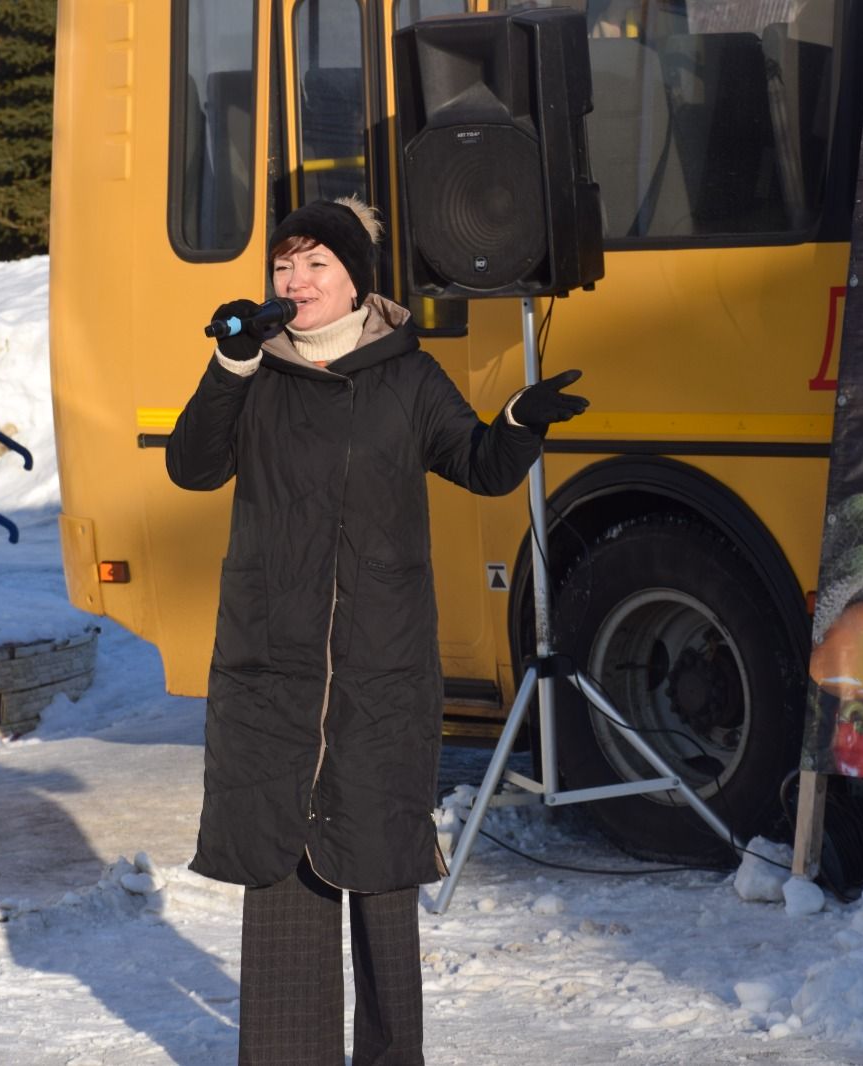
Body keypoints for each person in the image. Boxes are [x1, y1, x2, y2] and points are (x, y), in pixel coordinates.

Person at [165, 196, 588, 1066]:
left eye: (316, 264)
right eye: (285, 265)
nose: (295, 280)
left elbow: (475, 464)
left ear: (355, 281)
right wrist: (229, 366)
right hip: (273, 667)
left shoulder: (407, 374)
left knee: (380, 869)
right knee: (282, 867)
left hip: (380, 669)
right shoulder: (258, 374)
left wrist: (518, 425)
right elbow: (192, 466)